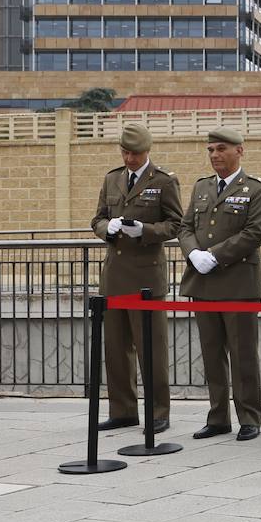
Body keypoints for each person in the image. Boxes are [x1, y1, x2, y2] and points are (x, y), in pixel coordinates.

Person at [178, 127, 261, 442]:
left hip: (237, 283)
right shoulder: (202, 187)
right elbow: (186, 226)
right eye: (211, 150)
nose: (215, 155)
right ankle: (217, 416)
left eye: (221, 149)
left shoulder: (255, 189)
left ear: (239, 151)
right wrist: (193, 254)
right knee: (211, 352)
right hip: (202, 282)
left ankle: (249, 417)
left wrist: (214, 256)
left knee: (242, 353)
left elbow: (254, 233)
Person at [91, 123, 182, 433]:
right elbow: (98, 218)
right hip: (115, 276)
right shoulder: (112, 178)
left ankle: (158, 413)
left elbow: (176, 225)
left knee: (151, 351)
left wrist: (145, 231)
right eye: (125, 153)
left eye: (135, 154)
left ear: (147, 151)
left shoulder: (164, 181)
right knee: (116, 351)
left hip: (146, 279)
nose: (129, 159)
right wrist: (108, 229)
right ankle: (123, 410)